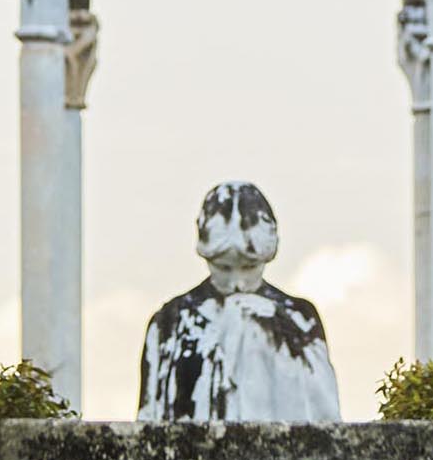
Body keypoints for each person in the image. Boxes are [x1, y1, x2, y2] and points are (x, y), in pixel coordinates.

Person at [138, 180, 341, 424]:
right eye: (223, 267)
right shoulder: (169, 322)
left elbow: (324, 413)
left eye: (249, 267)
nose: (238, 283)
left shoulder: (298, 319)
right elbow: (149, 415)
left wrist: (274, 331)